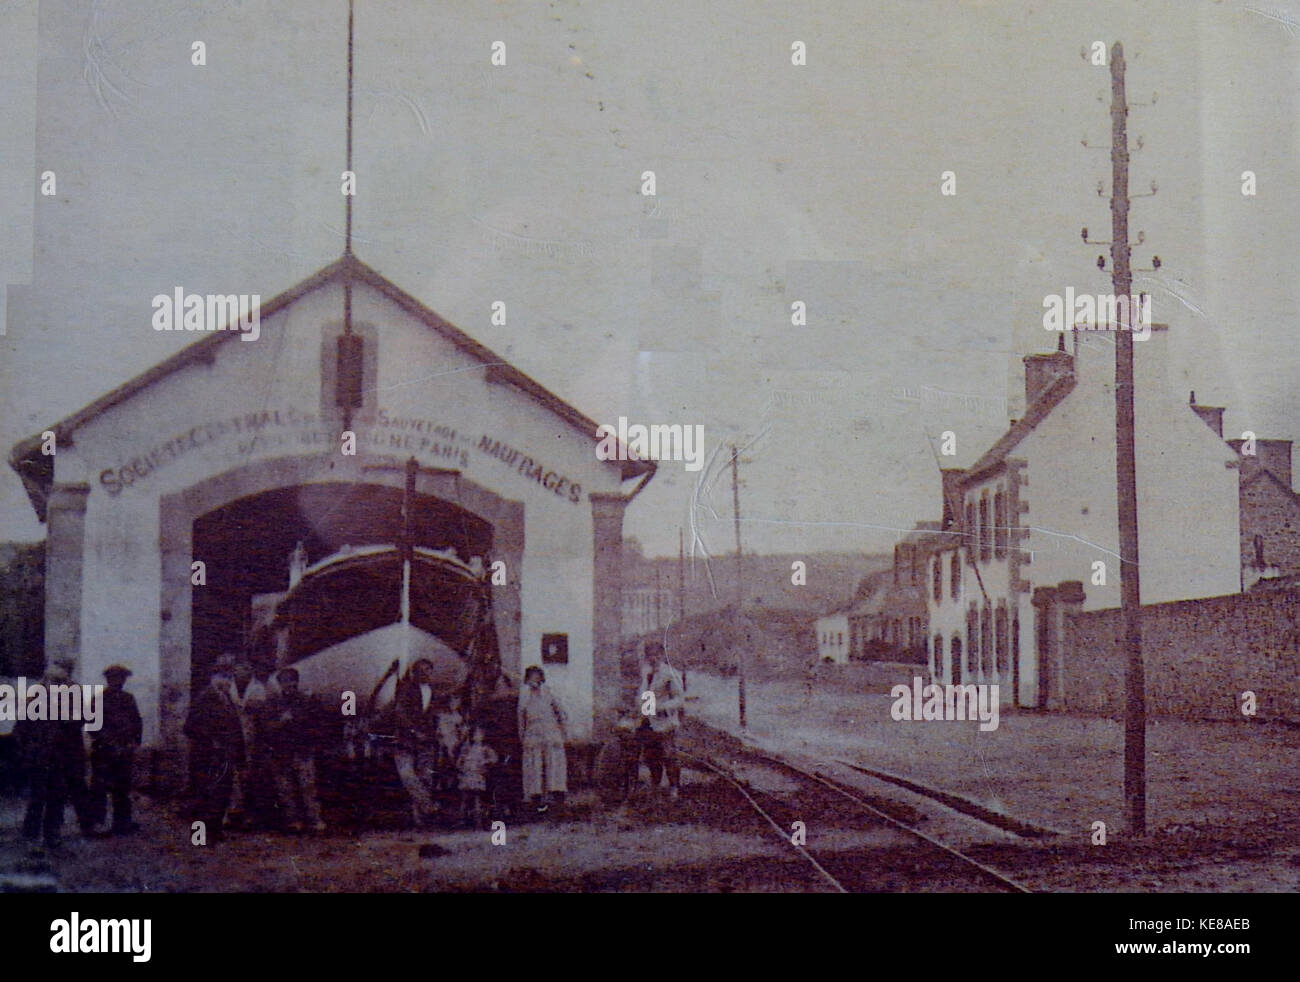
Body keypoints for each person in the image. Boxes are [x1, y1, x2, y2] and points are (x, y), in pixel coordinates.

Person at [15, 662, 85, 850]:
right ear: (46, 682)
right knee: (38, 795)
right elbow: (20, 728)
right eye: (53, 682)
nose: (56, 686)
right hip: (39, 756)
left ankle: (51, 834)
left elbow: (81, 721)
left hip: (59, 757)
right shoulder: (34, 700)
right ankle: (31, 832)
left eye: (60, 682)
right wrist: (25, 752)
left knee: (57, 796)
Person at [183, 666, 245, 842]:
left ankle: (214, 832)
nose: (226, 681)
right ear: (212, 677)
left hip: (225, 756)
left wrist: (240, 758)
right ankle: (198, 836)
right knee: (203, 795)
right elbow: (190, 727)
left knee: (221, 794)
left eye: (229, 678)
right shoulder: (204, 698)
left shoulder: (227, 700)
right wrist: (211, 741)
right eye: (222, 677)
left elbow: (236, 729)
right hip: (206, 757)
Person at [262, 668, 326, 833]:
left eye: (292, 681)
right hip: (282, 751)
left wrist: (310, 740)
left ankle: (315, 820)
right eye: (285, 682)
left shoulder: (308, 701)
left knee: (308, 787)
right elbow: (266, 728)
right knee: (286, 789)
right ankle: (294, 820)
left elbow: (318, 724)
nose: (289, 685)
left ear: (296, 682)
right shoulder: (273, 703)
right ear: (280, 684)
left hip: (302, 750)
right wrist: (281, 722)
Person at [88, 664, 142, 835]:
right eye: (116, 678)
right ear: (109, 680)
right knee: (100, 788)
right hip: (104, 752)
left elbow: (137, 722)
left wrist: (134, 742)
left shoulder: (128, 699)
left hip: (124, 751)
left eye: (122, 679)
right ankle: (98, 823)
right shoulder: (98, 699)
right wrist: (110, 744)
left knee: (123, 788)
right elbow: (93, 727)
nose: (119, 682)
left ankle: (122, 823)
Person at [392, 659, 441, 828]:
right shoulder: (406, 690)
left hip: (426, 742)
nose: (426, 674)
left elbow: (432, 716)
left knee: (424, 779)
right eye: (422, 670)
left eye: (429, 670)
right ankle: (428, 806)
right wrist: (414, 731)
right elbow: (400, 714)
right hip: (405, 741)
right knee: (408, 776)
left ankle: (420, 819)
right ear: (415, 673)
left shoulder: (433, 692)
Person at [517, 666, 567, 813]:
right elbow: (521, 716)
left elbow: (560, 710)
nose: (535, 679)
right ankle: (536, 799)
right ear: (527, 679)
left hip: (550, 730)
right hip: (533, 732)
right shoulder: (524, 693)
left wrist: (563, 730)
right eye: (532, 676)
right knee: (534, 764)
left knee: (554, 762)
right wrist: (522, 735)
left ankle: (557, 796)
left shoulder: (547, 691)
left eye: (537, 676)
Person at [224, 656, 267, 828]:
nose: (244, 672)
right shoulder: (226, 687)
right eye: (240, 669)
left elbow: (260, 708)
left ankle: (249, 815)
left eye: (248, 669)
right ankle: (231, 812)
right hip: (231, 736)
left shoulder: (258, 687)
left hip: (252, 737)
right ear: (234, 671)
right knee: (230, 774)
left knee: (250, 775)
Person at [640, 641, 685, 800]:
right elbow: (643, 694)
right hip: (650, 721)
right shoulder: (647, 673)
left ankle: (674, 787)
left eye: (656, 655)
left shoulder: (670, 673)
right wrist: (644, 707)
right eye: (649, 655)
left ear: (661, 655)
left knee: (669, 756)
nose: (653, 658)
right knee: (652, 755)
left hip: (666, 722)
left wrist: (662, 707)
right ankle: (655, 786)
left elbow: (680, 699)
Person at [455, 726, 498, 829]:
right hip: (467, 775)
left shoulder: (485, 749)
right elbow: (459, 762)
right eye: (476, 734)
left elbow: (494, 759)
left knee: (477, 799)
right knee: (465, 799)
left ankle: (478, 822)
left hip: (478, 776)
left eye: (481, 734)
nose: (479, 736)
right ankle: (461, 820)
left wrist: (485, 763)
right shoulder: (467, 749)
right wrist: (462, 768)